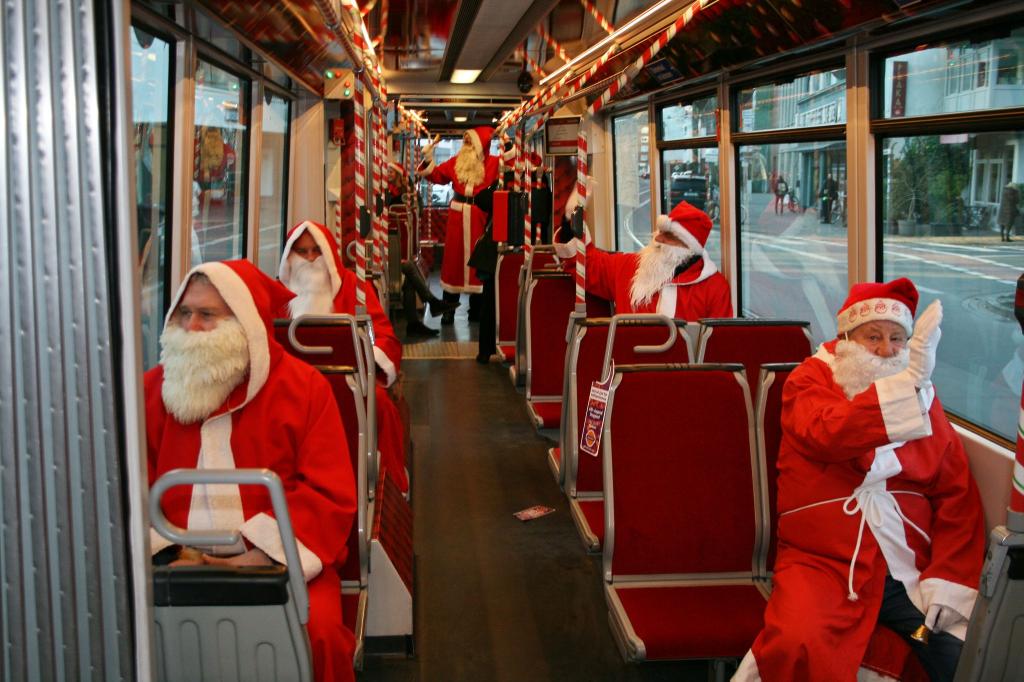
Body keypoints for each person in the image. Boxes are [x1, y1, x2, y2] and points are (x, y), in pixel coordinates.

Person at [733, 278, 985, 682]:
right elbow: (828, 433)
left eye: (898, 339)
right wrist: (906, 386)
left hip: (903, 562)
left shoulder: (921, 394)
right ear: (846, 336)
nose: (887, 351)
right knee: (800, 642)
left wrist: (949, 576)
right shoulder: (808, 380)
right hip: (823, 558)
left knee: (957, 654)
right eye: (874, 336)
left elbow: (956, 492)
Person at [145, 260, 358, 682]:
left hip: (282, 563)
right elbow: (127, 488)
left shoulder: (304, 389)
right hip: (172, 560)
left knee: (321, 635)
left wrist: (261, 555)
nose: (192, 327)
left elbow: (328, 493)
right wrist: (169, 554)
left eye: (208, 315)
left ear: (244, 324)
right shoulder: (151, 392)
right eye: (184, 314)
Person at [277, 220, 410, 493]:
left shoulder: (353, 286)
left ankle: (388, 483)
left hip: (349, 381)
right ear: (290, 256)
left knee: (380, 406)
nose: (312, 259)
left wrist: (367, 357)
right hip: (292, 388)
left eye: (317, 250)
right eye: (303, 252)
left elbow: (382, 335)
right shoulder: (277, 296)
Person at [555, 195, 733, 319]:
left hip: (683, 372)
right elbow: (587, 265)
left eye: (669, 237)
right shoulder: (628, 266)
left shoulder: (714, 288)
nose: (658, 239)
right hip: (626, 368)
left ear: (688, 248)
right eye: (660, 232)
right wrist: (572, 222)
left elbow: (718, 346)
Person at [416, 126, 512, 324]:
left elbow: (512, 166)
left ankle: (476, 311)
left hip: (479, 217)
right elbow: (435, 175)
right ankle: (448, 310)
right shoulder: (456, 162)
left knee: (478, 261)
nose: (465, 145)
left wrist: (508, 144)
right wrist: (427, 159)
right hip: (457, 218)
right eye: (465, 141)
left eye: (470, 142)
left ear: (480, 146)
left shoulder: (494, 163)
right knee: (454, 262)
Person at [386, 161, 457, 336]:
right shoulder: (386, 193)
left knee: (409, 280)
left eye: (391, 172)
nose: (388, 174)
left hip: (398, 248)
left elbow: (418, 209)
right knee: (410, 267)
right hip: (389, 252)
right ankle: (432, 302)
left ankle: (414, 324)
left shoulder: (408, 193)